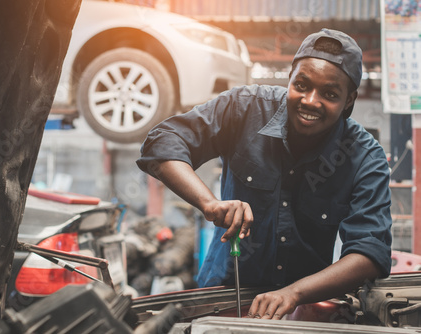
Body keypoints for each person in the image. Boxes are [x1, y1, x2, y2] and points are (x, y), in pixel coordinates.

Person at [136, 29, 392, 320]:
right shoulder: (243, 108)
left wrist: (293, 293)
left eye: (329, 94)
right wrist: (209, 203)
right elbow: (161, 142)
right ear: (290, 79)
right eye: (302, 85)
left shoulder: (364, 156)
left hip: (304, 308)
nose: (310, 100)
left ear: (349, 100)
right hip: (224, 297)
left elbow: (370, 253)